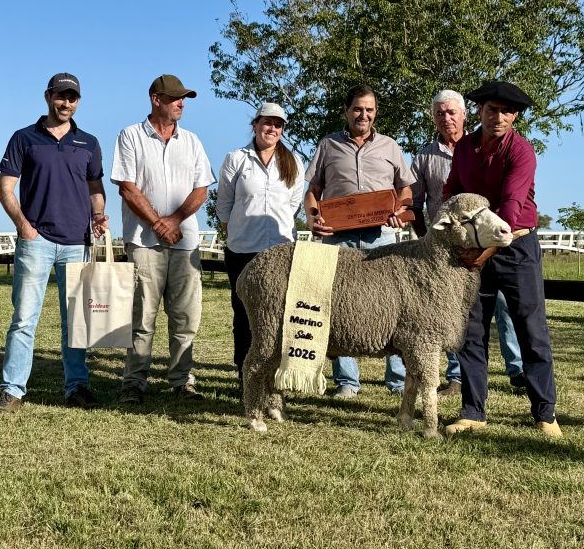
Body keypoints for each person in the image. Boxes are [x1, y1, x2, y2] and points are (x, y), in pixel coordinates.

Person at [442, 80, 562, 437]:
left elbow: (510, 208)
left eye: (507, 112)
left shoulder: (522, 151)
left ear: (515, 116)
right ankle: (472, 411)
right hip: (473, 250)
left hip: (516, 247)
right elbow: (451, 192)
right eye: (492, 110)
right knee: (470, 330)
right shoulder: (465, 148)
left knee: (531, 329)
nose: (498, 117)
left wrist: (483, 251)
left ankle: (545, 413)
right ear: (480, 111)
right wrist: (454, 234)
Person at [0, 73, 110, 414]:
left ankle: (77, 388)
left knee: (75, 322)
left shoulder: (89, 142)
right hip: (36, 242)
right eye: (61, 96)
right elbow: (5, 187)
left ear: (78, 101)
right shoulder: (24, 138)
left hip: (78, 243)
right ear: (48, 97)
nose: (66, 103)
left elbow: (95, 189)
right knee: (24, 319)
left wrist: (98, 214)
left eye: (72, 97)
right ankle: (12, 391)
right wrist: (24, 227)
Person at [409, 89, 525, 399]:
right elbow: (416, 202)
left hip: (491, 239)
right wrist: (427, 239)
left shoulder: (480, 147)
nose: (446, 118)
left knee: (504, 305)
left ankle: (516, 369)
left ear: (464, 114)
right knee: (456, 310)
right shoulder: (424, 156)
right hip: (448, 248)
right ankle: (457, 376)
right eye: (439, 113)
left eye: (451, 112)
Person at [304, 85, 414, 398]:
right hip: (338, 238)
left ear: (375, 113)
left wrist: (400, 210)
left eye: (369, 109)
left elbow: (406, 190)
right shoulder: (328, 145)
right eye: (357, 109)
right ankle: (347, 381)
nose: (363, 115)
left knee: (392, 304)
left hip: (383, 237)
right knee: (338, 304)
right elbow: (313, 191)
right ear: (346, 111)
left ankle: (397, 380)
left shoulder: (390, 146)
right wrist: (313, 218)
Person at [111, 74, 215, 404]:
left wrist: (174, 220)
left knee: (185, 318)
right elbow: (127, 187)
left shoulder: (192, 141)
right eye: (175, 98)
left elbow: (202, 189)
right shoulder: (130, 135)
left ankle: (183, 381)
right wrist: (158, 223)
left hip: (184, 242)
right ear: (156, 99)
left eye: (183, 98)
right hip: (144, 242)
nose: (181, 103)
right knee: (142, 318)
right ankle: (134, 382)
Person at [215, 102, 305, 388]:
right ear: (255, 125)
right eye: (267, 123)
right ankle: (245, 375)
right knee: (244, 315)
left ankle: (274, 375)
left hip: (280, 251)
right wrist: (236, 232)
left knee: (280, 315)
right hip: (242, 250)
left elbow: (293, 206)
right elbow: (224, 205)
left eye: (278, 125)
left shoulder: (294, 163)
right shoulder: (235, 159)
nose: (272, 129)